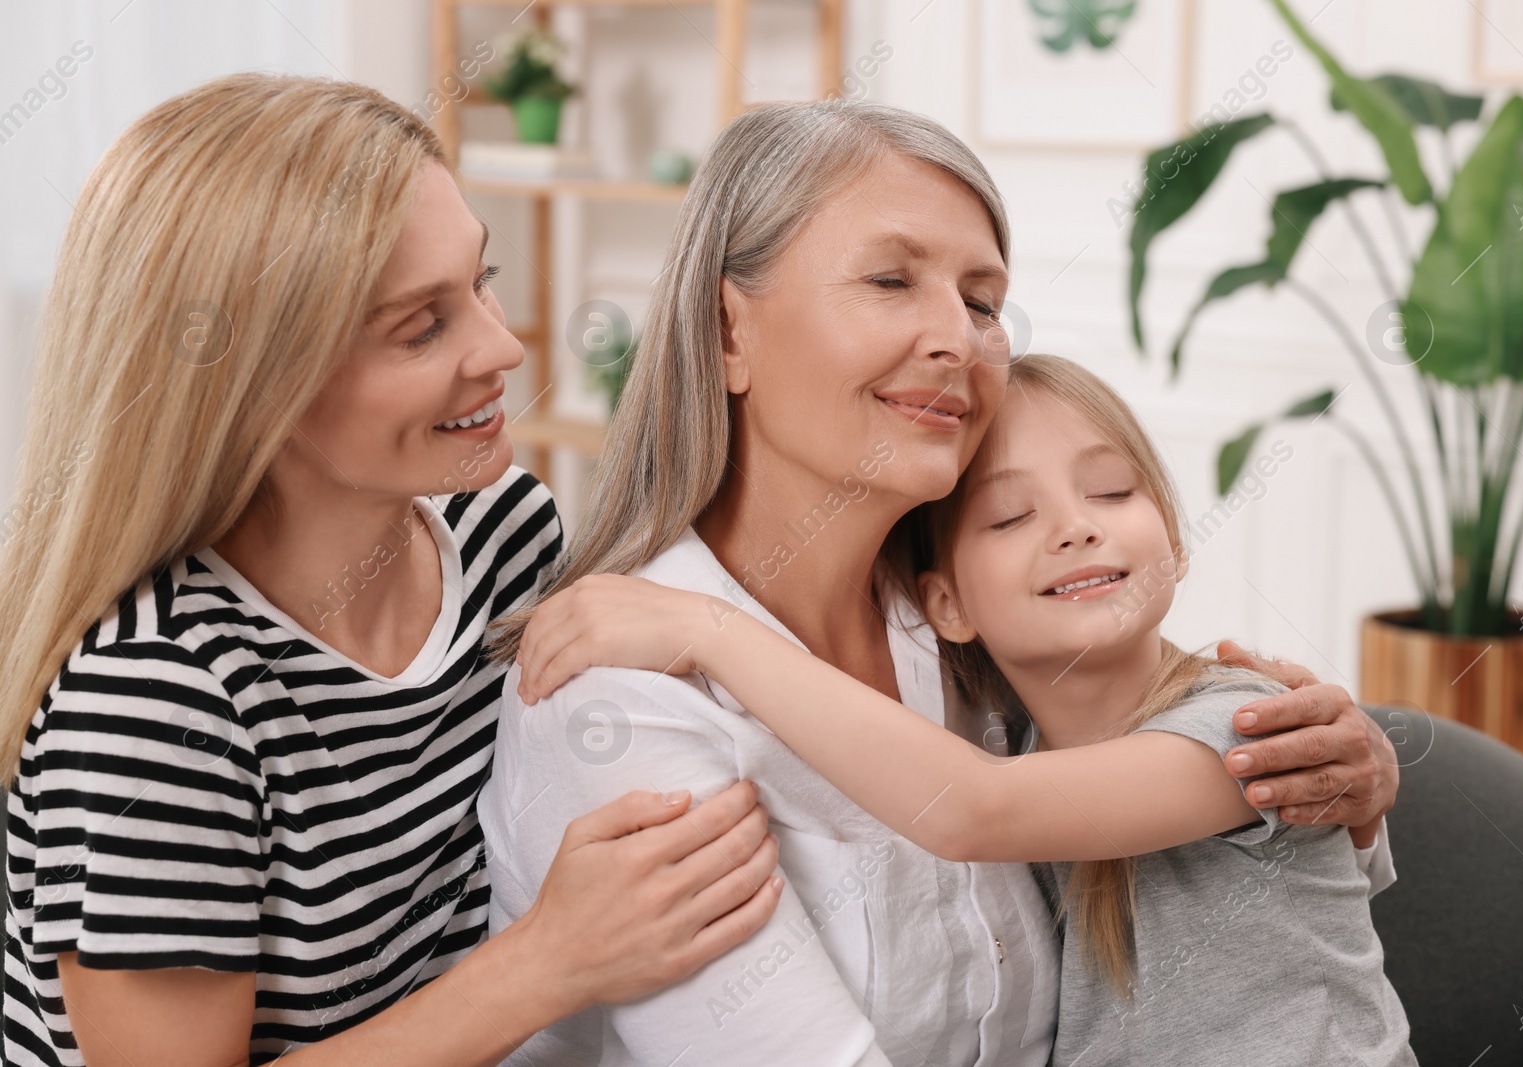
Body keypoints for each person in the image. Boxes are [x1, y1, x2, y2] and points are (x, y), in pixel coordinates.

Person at [480, 99, 1400, 1066]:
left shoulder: (961, 632)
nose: (957, 338)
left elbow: (1130, 799)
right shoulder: (622, 702)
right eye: (889, 279)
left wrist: (1354, 780)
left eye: (983, 301)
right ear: (726, 332)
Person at [0, 73, 781, 1067]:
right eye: (422, 326)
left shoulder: (502, 530)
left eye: (481, 282)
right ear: (251, 389)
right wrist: (550, 961)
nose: (502, 344)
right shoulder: (156, 701)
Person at [515, 353, 1418, 1065]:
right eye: (1010, 517)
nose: (1076, 525)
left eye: (1112, 491)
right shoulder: (993, 726)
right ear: (943, 604)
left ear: (1174, 542)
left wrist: (710, 627)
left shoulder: (1241, 724)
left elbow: (976, 808)